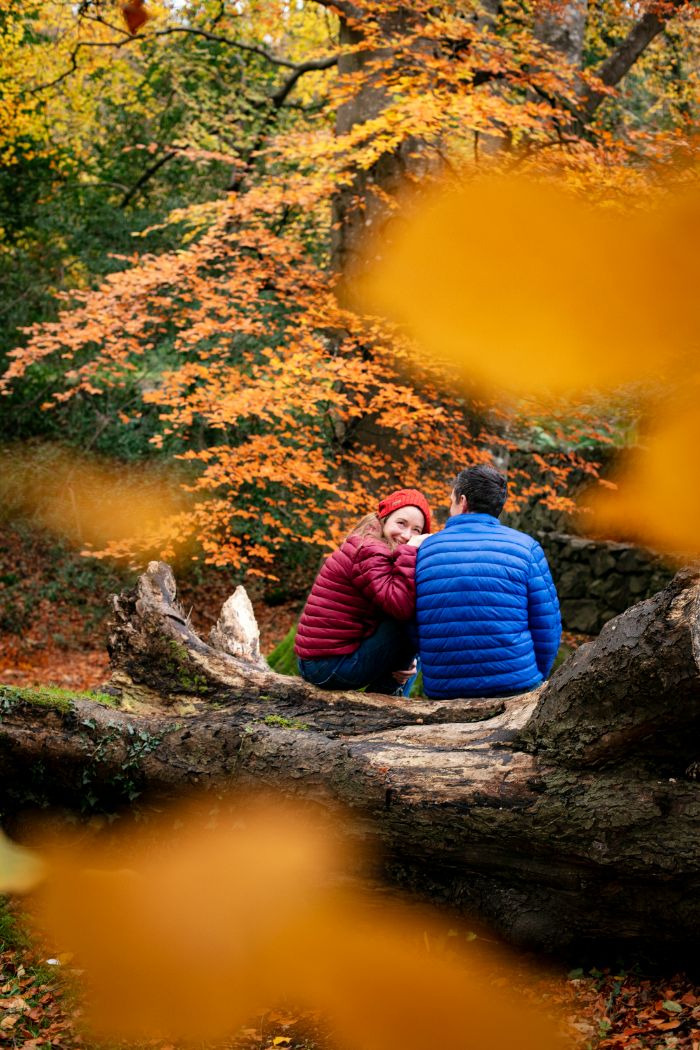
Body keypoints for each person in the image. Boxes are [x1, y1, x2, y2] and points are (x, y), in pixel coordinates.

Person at [414, 464, 560, 700]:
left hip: (445, 689)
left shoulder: (426, 550)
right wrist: (535, 676)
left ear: (462, 501)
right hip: (516, 682)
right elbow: (547, 625)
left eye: (451, 501)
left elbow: (412, 624)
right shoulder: (526, 547)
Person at [295, 488, 432, 696]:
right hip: (324, 666)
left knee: (414, 633)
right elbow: (400, 606)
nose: (406, 535)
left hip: (326, 658)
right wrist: (411, 551)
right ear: (384, 519)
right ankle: (389, 703)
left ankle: (387, 696)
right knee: (411, 621)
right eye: (401, 523)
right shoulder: (369, 550)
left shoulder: (374, 544)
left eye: (416, 530)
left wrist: (408, 659)